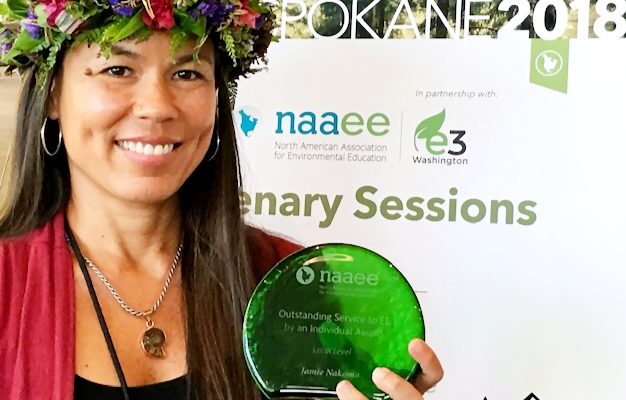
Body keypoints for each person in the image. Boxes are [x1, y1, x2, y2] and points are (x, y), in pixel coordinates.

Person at [0, 1, 443, 399]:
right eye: (118, 69)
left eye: (187, 72)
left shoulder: (292, 286)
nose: (157, 107)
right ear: (54, 92)